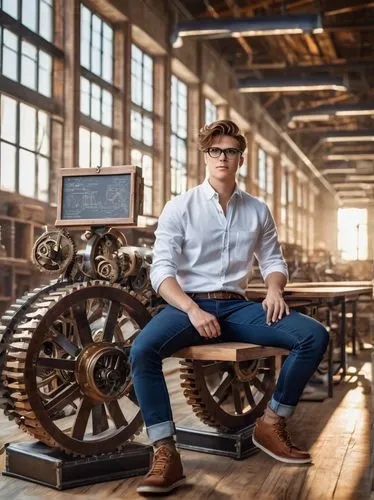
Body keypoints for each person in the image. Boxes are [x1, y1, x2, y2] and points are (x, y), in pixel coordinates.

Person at [130, 120, 329, 495]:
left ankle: (271, 423)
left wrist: (274, 290)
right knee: (142, 349)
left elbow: (273, 261)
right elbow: (161, 271)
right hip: (188, 306)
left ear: (241, 158)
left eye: (231, 151)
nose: (223, 157)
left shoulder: (257, 210)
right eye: (215, 151)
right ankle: (165, 453)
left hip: (238, 307)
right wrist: (191, 309)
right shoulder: (180, 206)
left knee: (314, 335)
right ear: (205, 156)